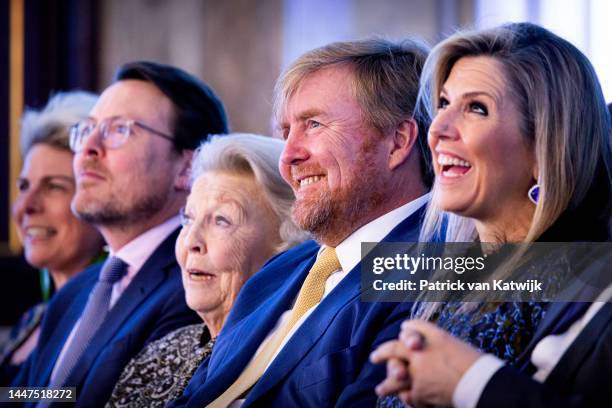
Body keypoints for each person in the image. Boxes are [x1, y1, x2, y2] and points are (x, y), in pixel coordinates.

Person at [169, 38, 433, 407]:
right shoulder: (279, 271)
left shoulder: (446, 267)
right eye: (285, 132)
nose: (288, 156)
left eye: (313, 124)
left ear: (398, 142)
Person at [371, 22, 612, 407]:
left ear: (544, 150)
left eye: (476, 109)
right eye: (445, 104)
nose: (438, 130)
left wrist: (470, 382)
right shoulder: (444, 282)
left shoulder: (590, 294)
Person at [12, 61, 230, 407]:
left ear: (187, 168)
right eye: (86, 130)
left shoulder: (198, 288)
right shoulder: (75, 293)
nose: (87, 148)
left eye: (119, 130)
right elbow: (34, 396)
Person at [106, 133, 308, 407]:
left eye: (221, 221)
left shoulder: (297, 357)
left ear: (287, 245)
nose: (190, 242)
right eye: (188, 219)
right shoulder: (157, 356)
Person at [0, 91, 105, 384]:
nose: (26, 206)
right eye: (23, 186)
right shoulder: (32, 319)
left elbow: (74, 399)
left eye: (53, 187)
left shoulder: (112, 319)